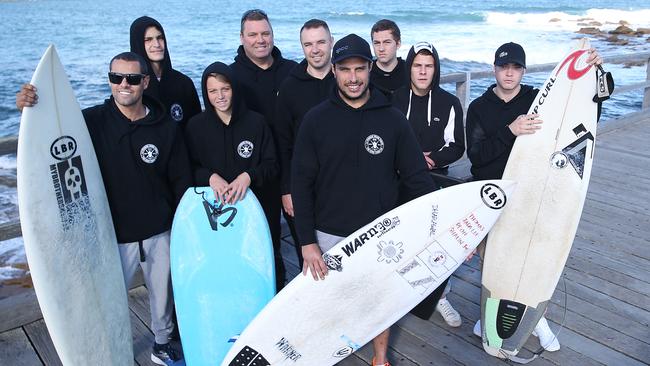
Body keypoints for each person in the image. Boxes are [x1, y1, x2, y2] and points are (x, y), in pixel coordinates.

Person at [16, 52, 191, 366]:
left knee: (163, 296)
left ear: (145, 82)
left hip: (158, 229)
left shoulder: (165, 126)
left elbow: (180, 180)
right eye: (116, 78)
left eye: (133, 79)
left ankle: (162, 343)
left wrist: (181, 225)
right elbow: (52, 137)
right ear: (110, 80)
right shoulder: (92, 122)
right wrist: (31, 106)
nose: (124, 85)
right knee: (105, 299)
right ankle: (105, 350)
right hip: (111, 235)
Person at [291, 33, 435, 366]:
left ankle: (380, 358)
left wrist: (441, 222)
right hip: (328, 232)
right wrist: (306, 242)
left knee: (379, 302)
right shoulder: (315, 120)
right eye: (345, 70)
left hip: (380, 232)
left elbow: (416, 179)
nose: (353, 78)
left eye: (359, 69)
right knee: (325, 304)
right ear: (333, 71)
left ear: (370, 68)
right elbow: (301, 183)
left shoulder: (393, 118)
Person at [466, 41, 604, 352]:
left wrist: (596, 71)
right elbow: (477, 157)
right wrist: (509, 130)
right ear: (494, 69)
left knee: (536, 256)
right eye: (503, 67)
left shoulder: (536, 99)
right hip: (495, 195)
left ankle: (537, 318)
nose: (509, 73)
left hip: (534, 191)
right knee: (496, 258)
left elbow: (589, 106)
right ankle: (487, 312)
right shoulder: (479, 107)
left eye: (515, 67)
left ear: (524, 71)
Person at [393, 41, 465, 328]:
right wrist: (411, 158)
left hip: (434, 183)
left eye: (429, 66)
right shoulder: (395, 99)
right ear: (409, 68)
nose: (423, 72)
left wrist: (430, 159)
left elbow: (457, 146)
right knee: (402, 242)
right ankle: (400, 296)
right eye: (417, 65)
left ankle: (440, 296)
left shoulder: (449, 103)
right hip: (398, 183)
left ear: (435, 69)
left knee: (437, 243)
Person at [231, 9, 298, 290]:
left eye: (265, 33)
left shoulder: (293, 71)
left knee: (306, 237)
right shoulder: (232, 77)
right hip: (257, 173)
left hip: (295, 168)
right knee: (265, 241)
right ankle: (274, 292)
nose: (261, 40)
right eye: (253, 34)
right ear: (242, 37)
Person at [275, 19, 335, 266]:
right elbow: (282, 142)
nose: (316, 49)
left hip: (340, 183)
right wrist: (286, 190)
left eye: (321, 42)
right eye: (308, 44)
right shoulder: (290, 87)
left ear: (331, 42)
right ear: (302, 48)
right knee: (310, 259)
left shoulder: (345, 80)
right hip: (303, 185)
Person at [184, 61, 277, 209]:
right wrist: (209, 177)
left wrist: (248, 176)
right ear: (205, 92)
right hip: (213, 206)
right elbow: (188, 167)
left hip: (255, 204)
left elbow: (271, 165)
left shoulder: (257, 123)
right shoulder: (195, 127)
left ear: (234, 88)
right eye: (213, 91)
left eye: (225, 89)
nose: (220, 96)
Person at [130, 16, 201, 127]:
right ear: (138, 44)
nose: (157, 44)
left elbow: (196, 126)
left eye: (160, 38)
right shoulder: (133, 86)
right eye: (148, 40)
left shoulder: (184, 83)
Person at [370, 19, 408, 98]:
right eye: (376, 43)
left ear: (398, 44)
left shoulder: (409, 70)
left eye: (387, 42)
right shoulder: (366, 72)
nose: (381, 49)